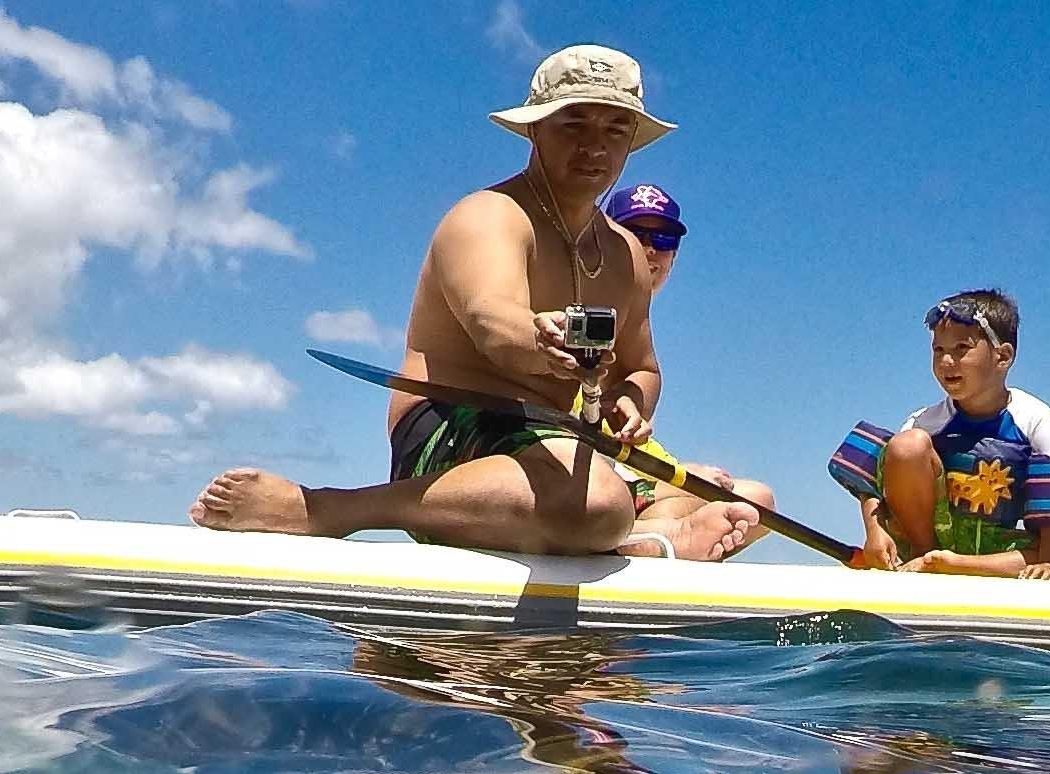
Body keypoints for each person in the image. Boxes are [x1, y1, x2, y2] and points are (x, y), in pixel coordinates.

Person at [193, 45, 756, 561]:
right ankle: (334, 508)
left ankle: (637, 540)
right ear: (535, 131)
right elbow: (492, 318)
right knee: (596, 505)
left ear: (632, 139)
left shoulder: (626, 254)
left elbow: (643, 368)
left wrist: (632, 403)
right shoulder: (489, 217)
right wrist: (540, 339)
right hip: (457, 421)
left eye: (615, 128)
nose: (595, 146)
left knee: (752, 499)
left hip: (560, 444)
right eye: (574, 124)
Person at [831, 290, 1050, 579]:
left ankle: (950, 565)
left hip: (996, 546)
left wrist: (1049, 563)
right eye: (938, 350)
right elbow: (873, 484)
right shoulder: (925, 421)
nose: (946, 361)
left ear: (1002, 357)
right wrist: (875, 532)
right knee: (906, 447)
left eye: (961, 349)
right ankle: (924, 556)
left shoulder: (1033, 417)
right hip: (930, 540)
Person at [601, 180, 777, 557]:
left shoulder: (637, 323)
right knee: (692, 502)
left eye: (665, 241)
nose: (650, 249)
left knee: (758, 500)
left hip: (632, 471)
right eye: (635, 234)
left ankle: (650, 534)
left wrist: (680, 475)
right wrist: (678, 483)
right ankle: (646, 539)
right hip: (587, 478)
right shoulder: (592, 311)